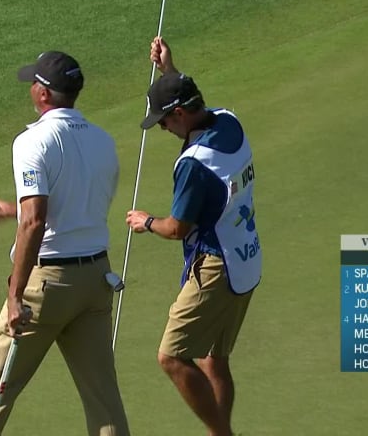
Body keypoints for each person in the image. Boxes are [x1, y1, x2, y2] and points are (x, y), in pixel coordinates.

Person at [0, 51, 130, 436]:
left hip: (47, 286)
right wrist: (14, 210)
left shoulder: (32, 142)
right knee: (104, 399)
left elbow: (35, 221)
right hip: (96, 281)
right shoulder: (104, 142)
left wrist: (15, 294)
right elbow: (72, 206)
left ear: (42, 94)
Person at [126, 37, 262, 436]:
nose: (164, 127)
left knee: (171, 357)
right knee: (213, 360)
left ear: (181, 114)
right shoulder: (228, 120)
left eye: (165, 120)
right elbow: (200, 108)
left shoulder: (193, 165)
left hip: (216, 267)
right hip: (247, 257)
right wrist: (171, 72)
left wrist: (145, 221)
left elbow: (177, 228)